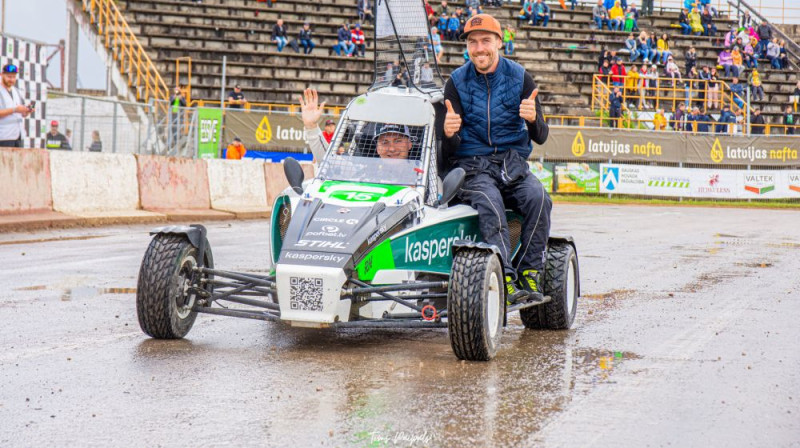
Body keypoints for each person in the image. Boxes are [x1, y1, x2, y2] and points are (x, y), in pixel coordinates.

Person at [440, 14, 551, 304]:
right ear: (467, 47)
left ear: (499, 43)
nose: (479, 48)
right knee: (491, 202)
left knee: (539, 197)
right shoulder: (455, 82)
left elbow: (540, 136)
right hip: (472, 168)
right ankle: (505, 278)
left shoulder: (520, 77)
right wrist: (449, 134)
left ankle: (530, 272)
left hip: (511, 167)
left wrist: (533, 119)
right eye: (472, 42)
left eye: (485, 41)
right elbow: (447, 153)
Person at [0, 64, 32, 148]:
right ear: (2, 75)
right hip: (4, 137)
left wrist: (26, 111)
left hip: (19, 136)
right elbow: (15, 110)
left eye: (13, 77)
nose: (11, 79)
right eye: (9, 77)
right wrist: (15, 109)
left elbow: (20, 113)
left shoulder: (16, 91)